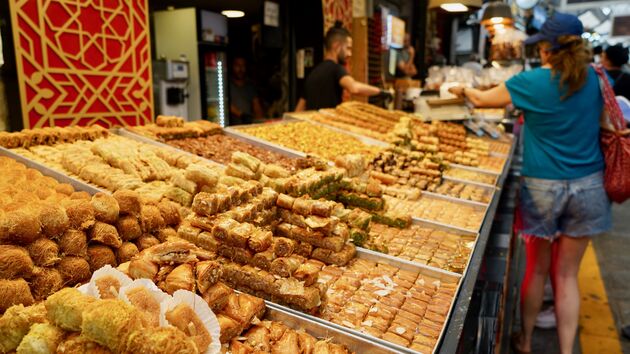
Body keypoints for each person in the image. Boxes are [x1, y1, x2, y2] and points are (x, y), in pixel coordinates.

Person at [449, 13, 611, 354]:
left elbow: (480, 100)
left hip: (542, 188)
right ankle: (567, 350)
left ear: (548, 50)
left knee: (536, 270)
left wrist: (460, 87)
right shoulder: (598, 80)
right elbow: (608, 123)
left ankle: (524, 342)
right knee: (567, 275)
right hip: (589, 186)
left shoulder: (531, 82)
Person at [296, 22, 389, 111]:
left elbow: (299, 109)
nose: (350, 54)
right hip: (329, 125)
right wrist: (381, 92)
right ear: (336, 46)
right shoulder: (336, 69)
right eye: (348, 48)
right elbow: (354, 88)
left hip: (313, 126)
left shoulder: (313, 73)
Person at [229, 56, 264, 125]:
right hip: (231, 126)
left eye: (243, 66)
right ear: (232, 66)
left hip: (247, 125)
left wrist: (260, 121)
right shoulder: (227, 84)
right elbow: (225, 104)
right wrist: (241, 115)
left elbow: (256, 106)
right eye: (237, 65)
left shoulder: (250, 86)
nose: (240, 69)